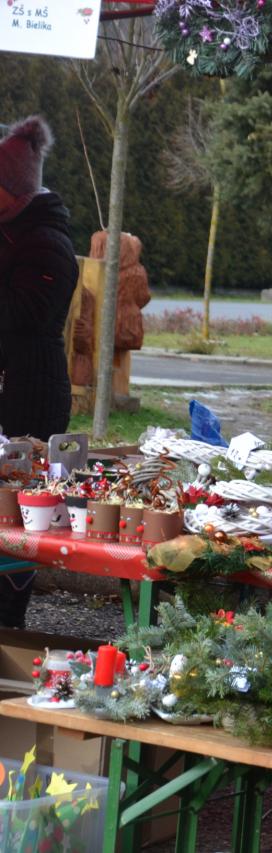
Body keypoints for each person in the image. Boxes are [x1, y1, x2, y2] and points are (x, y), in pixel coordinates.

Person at [0, 116, 77, 629]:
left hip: (30, 398)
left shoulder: (46, 241)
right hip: (16, 389)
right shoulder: (14, 233)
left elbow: (22, 312)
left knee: (18, 515)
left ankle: (8, 626)